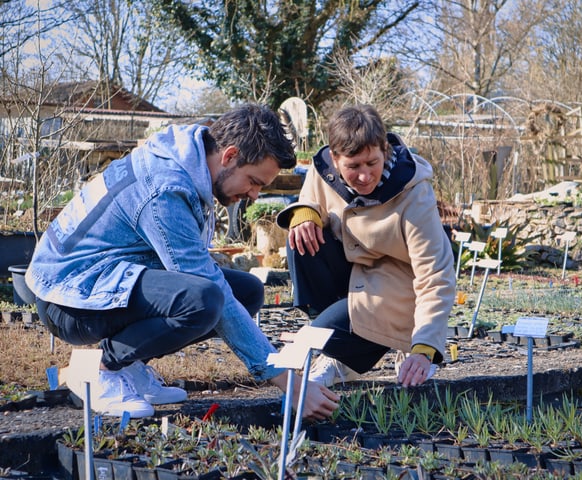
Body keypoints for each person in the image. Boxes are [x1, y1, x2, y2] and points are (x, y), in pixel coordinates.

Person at [26, 104, 339, 419]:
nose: (255, 195)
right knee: (203, 300)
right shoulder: (167, 189)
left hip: (102, 281)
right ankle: (97, 369)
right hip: (69, 300)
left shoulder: (187, 161)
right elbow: (204, 284)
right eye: (254, 181)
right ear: (229, 156)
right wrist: (288, 381)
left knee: (247, 292)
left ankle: (128, 366)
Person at [277, 104, 456, 388]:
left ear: (384, 150)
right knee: (300, 235)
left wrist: (425, 347)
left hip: (397, 283)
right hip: (353, 272)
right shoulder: (323, 169)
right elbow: (311, 198)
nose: (365, 176)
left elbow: (435, 276)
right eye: (353, 166)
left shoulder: (414, 193)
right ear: (335, 159)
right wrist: (304, 214)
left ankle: (374, 344)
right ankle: (335, 350)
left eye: (372, 163)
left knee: (322, 333)